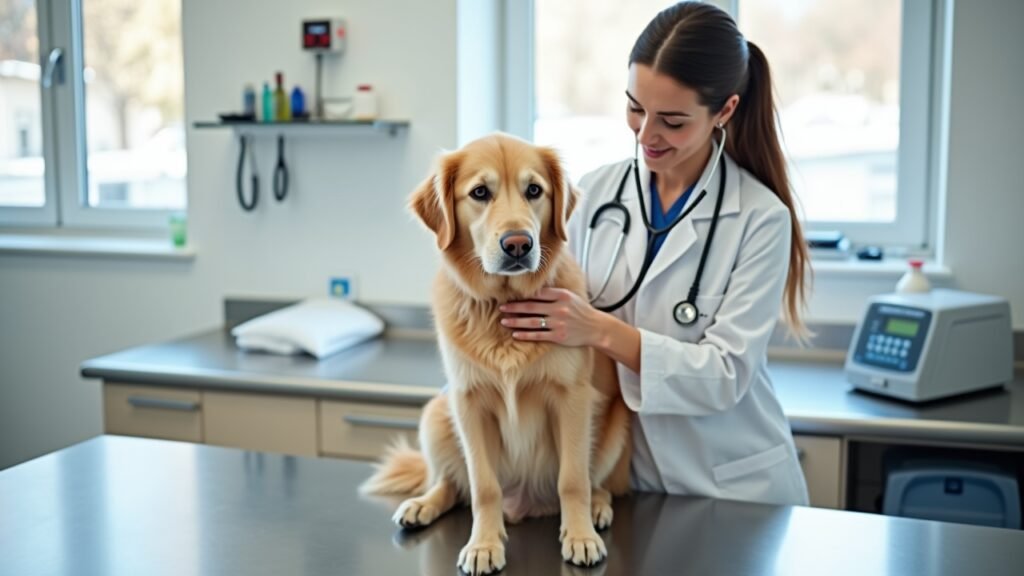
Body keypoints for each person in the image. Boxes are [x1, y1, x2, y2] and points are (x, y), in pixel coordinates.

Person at [500, 1, 811, 506]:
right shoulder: (594, 194)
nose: (646, 135)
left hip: (730, 484)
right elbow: (538, 325)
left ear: (724, 111)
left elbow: (725, 376)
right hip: (625, 479)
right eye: (635, 108)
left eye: (672, 120)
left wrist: (600, 329)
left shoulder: (759, 218)